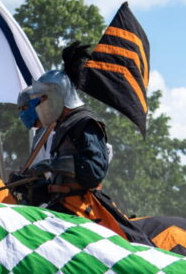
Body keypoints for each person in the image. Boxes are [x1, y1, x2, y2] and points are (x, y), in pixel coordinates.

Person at [8, 44, 149, 244]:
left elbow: (94, 170)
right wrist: (31, 185)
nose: (39, 105)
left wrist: (49, 165)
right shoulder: (62, 126)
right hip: (63, 205)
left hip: (81, 206)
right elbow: (61, 181)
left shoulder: (85, 122)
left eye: (42, 98)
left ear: (57, 96)